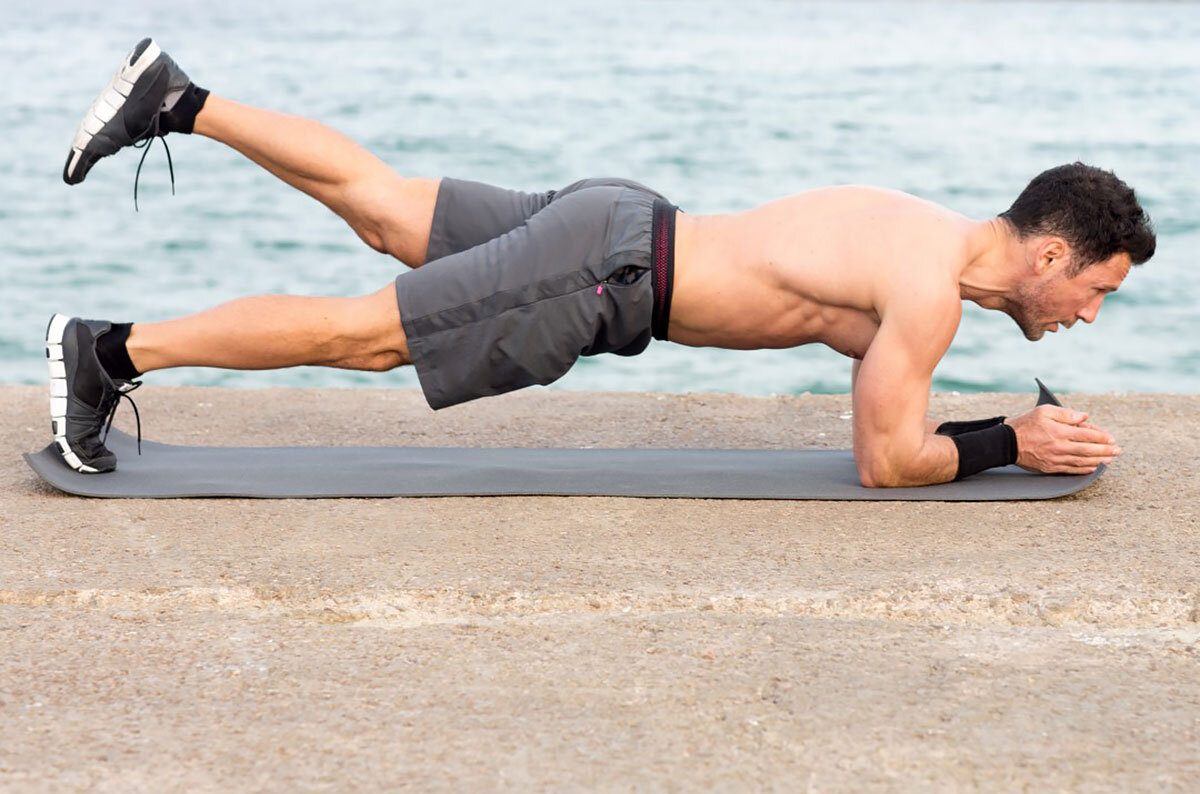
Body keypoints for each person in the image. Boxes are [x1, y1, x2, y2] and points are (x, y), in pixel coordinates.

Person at [49, 38, 1155, 486]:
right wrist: (1009, 438)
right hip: (609, 272)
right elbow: (886, 460)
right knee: (368, 331)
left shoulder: (924, 230)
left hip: (623, 220)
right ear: (1053, 252)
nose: (1087, 315)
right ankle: (109, 351)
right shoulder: (926, 288)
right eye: (1094, 291)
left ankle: (177, 100)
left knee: (387, 209)